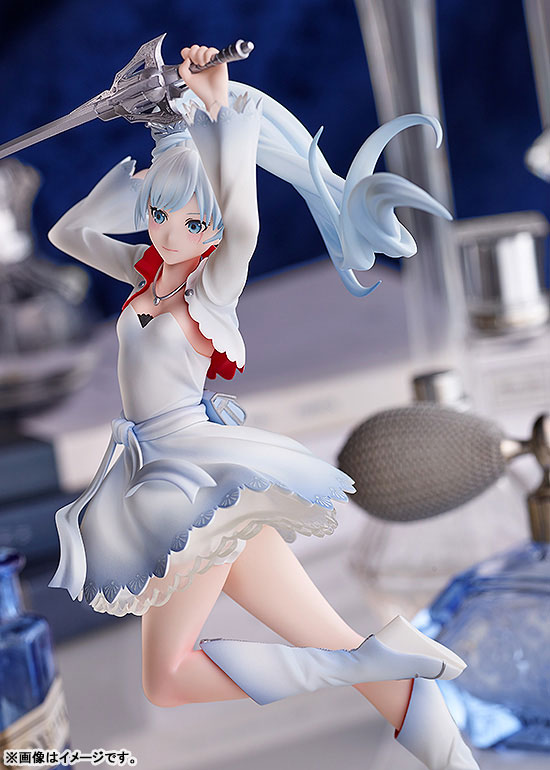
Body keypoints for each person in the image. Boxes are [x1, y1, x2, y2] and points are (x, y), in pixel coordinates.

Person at [47, 43, 479, 770]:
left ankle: (379, 663)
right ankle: (438, 739)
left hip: (186, 480)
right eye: (159, 217)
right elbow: (67, 235)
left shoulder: (210, 289)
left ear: (212, 231)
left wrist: (224, 118)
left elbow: (241, 225)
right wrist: (154, 159)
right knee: (325, 636)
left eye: (190, 223)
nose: (168, 233)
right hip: (164, 472)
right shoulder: (147, 273)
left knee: (166, 681)